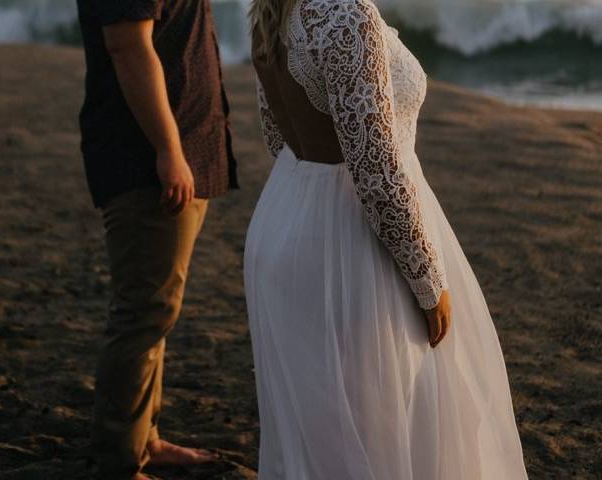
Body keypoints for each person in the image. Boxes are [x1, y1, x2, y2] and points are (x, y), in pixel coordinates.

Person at [244, 0, 528, 478]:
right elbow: (375, 172)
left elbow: (277, 135)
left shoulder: (271, 11)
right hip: (347, 236)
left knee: (325, 425)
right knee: (382, 418)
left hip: (287, 211)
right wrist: (426, 278)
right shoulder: (345, 14)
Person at [75, 0, 238, 478]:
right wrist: (168, 150)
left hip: (174, 150)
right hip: (145, 156)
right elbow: (127, 45)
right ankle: (118, 460)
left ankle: (144, 438)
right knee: (143, 312)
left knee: (156, 309)